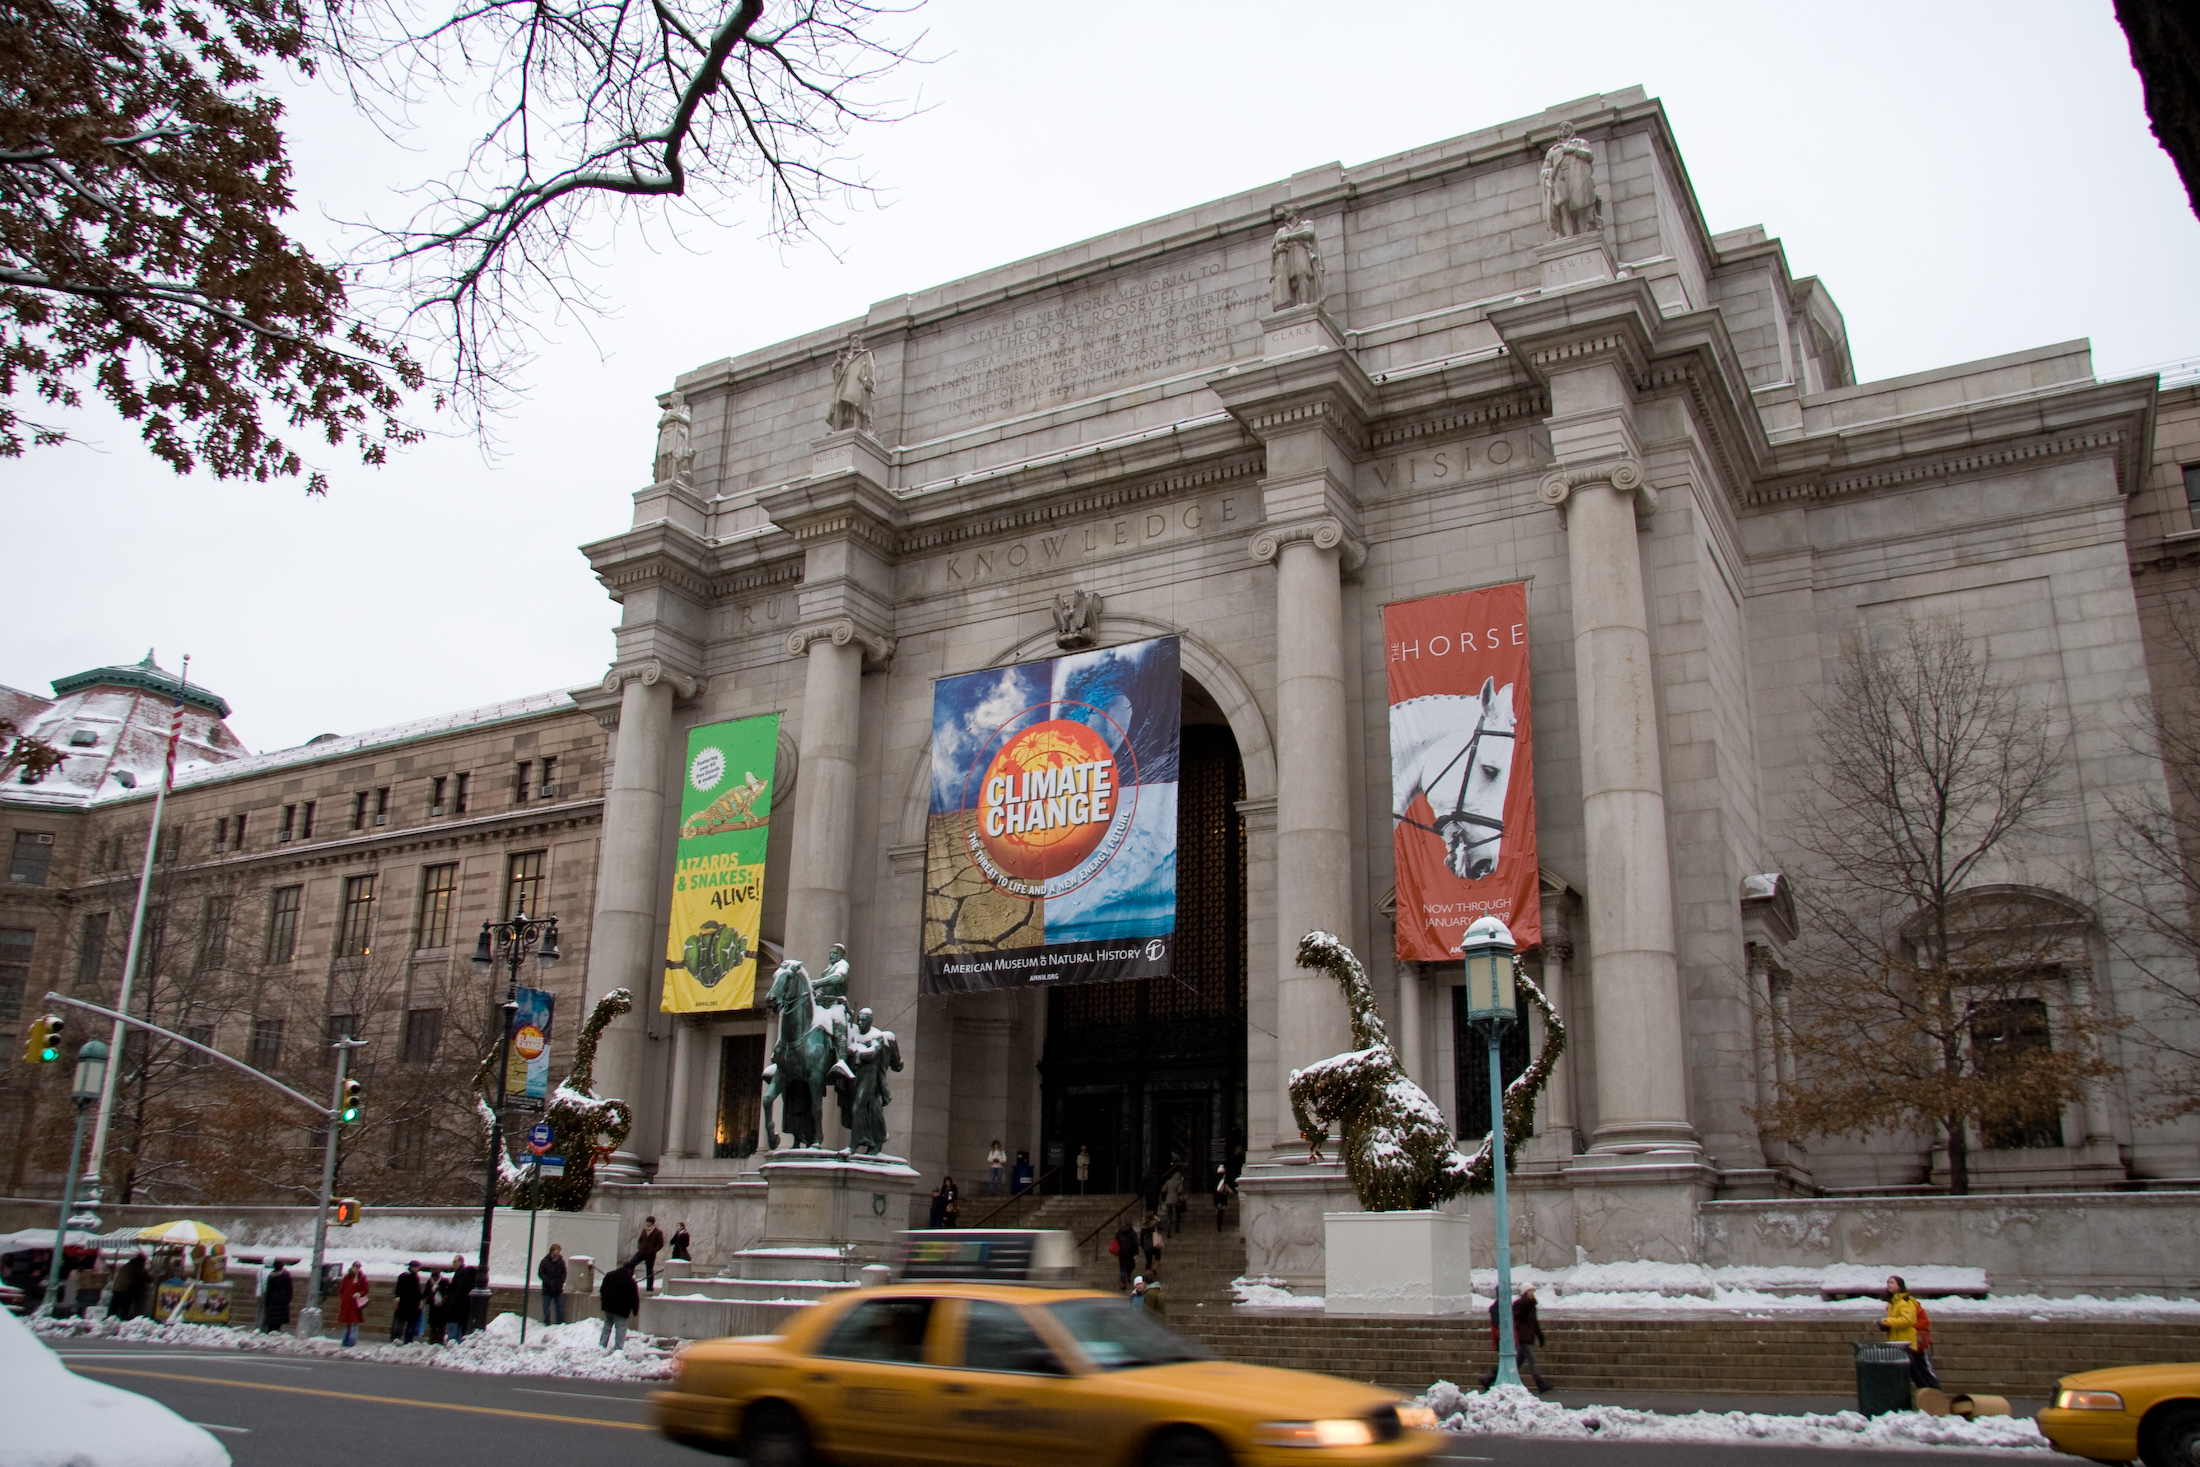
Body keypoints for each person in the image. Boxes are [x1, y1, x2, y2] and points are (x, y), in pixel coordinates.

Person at [1479, 1285, 1551, 1393]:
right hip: (1522, 1338)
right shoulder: (1520, 1304)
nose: (1532, 1293)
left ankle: (1489, 1377)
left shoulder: (1530, 1305)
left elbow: (1534, 1323)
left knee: (1516, 1362)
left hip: (1526, 1337)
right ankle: (1540, 1383)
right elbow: (1513, 1320)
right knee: (1531, 1360)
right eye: (1530, 1291)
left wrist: (1540, 1336)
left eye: (1532, 1291)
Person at [1881, 1275, 1941, 1389]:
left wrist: (1887, 1322)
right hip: (1900, 1342)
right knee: (1914, 1373)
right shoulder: (1893, 1303)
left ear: (1900, 1286)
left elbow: (1908, 1320)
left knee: (1922, 1371)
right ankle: (1926, 1395)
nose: (1889, 1285)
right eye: (1888, 1283)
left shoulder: (1905, 1301)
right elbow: (1898, 1321)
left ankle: (1934, 1394)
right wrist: (1888, 1326)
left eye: (1892, 1282)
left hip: (1911, 1341)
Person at [599, 1262, 640, 1352]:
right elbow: (634, 1298)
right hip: (621, 1310)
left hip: (608, 1306)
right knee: (621, 1327)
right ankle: (618, 1348)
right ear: (631, 1271)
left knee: (607, 1324)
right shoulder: (630, 1281)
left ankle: (602, 1344)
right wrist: (635, 1311)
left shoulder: (610, 1275)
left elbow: (602, 1289)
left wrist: (604, 1300)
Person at [444, 1255, 476, 1344]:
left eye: (455, 1262)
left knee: (453, 1328)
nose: (453, 1264)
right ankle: (456, 1344)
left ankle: (452, 1344)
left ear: (460, 1262)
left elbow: (458, 1289)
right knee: (459, 1328)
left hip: (456, 1307)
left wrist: (451, 1299)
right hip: (461, 1308)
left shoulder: (461, 1273)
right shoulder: (462, 1273)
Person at [337, 1263, 370, 1348]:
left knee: (354, 1322)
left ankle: (352, 1340)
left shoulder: (362, 1278)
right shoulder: (347, 1277)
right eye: (355, 1267)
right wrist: (343, 1298)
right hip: (347, 1302)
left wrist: (359, 1293)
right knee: (348, 1322)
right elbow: (342, 1289)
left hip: (355, 1303)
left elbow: (365, 1289)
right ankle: (345, 1340)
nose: (356, 1269)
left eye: (358, 1267)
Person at [110, 1251, 148, 1322]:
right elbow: (144, 1277)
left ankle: (110, 1319)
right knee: (125, 1306)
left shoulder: (127, 1265)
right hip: (125, 1289)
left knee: (114, 1307)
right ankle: (123, 1319)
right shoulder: (136, 1267)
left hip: (116, 1288)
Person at [392, 1262, 423, 1343]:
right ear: (413, 1267)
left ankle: (396, 1338)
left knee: (401, 1323)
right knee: (407, 1324)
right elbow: (416, 1291)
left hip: (405, 1305)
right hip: (408, 1305)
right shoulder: (410, 1277)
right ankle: (406, 1340)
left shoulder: (405, 1276)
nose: (418, 1269)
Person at [538, 1244, 568, 1325]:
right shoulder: (545, 1261)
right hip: (547, 1288)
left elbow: (564, 1273)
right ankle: (547, 1321)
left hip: (558, 1288)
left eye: (559, 1250)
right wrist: (548, 1281)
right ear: (552, 1250)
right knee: (546, 1306)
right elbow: (541, 1273)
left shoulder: (561, 1262)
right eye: (556, 1250)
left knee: (559, 1306)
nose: (558, 1252)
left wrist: (561, 1281)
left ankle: (560, 1321)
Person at [260, 1260, 293, 1334]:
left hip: (273, 1299)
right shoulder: (286, 1275)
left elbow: (269, 1289)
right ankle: (276, 1331)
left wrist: (267, 1300)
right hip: (282, 1299)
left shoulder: (271, 1275)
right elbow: (289, 1288)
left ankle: (270, 1330)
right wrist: (289, 1298)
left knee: (272, 1318)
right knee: (279, 1319)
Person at [423, 1267, 447, 1344]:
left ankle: (440, 1339)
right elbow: (426, 1292)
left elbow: (447, 1292)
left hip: (442, 1306)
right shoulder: (430, 1282)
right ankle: (432, 1339)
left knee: (441, 1324)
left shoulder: (444, 1282)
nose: (434, 1279)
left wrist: (439, 1289)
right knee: (433, 1324)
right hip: (433, 1306)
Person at [1114, 1219, 1139, 1290]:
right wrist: (1136, 1252)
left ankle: (1122, 1280)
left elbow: (1116, 1240)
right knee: (1130, 1265)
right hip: (1130, 1252)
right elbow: (1135, 1243)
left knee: (1122, 1266)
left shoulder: (1120, 1231)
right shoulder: (1132, 1232)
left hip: (1122, 1251)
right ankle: (1129, 1276)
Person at [1163, 1165, 1187, 1231]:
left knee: (1169, 1215)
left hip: (1168, 1199)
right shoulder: (1179, 1182)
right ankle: (1176, 1227)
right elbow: (1180, 1191)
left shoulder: (1168, 1181)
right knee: (1177, 1213)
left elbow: (1163, 1190)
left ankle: (1168, 1229)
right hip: (1176, 1199)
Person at [1213, 1164, 1232, 1230]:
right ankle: (1220, 1224)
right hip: (1223, 1197)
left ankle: (1218, 1223)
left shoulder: (1215, 1178)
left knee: (1218, 1210)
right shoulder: (1224, 1178)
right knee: (1221, 1211)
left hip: (1217, 1197)